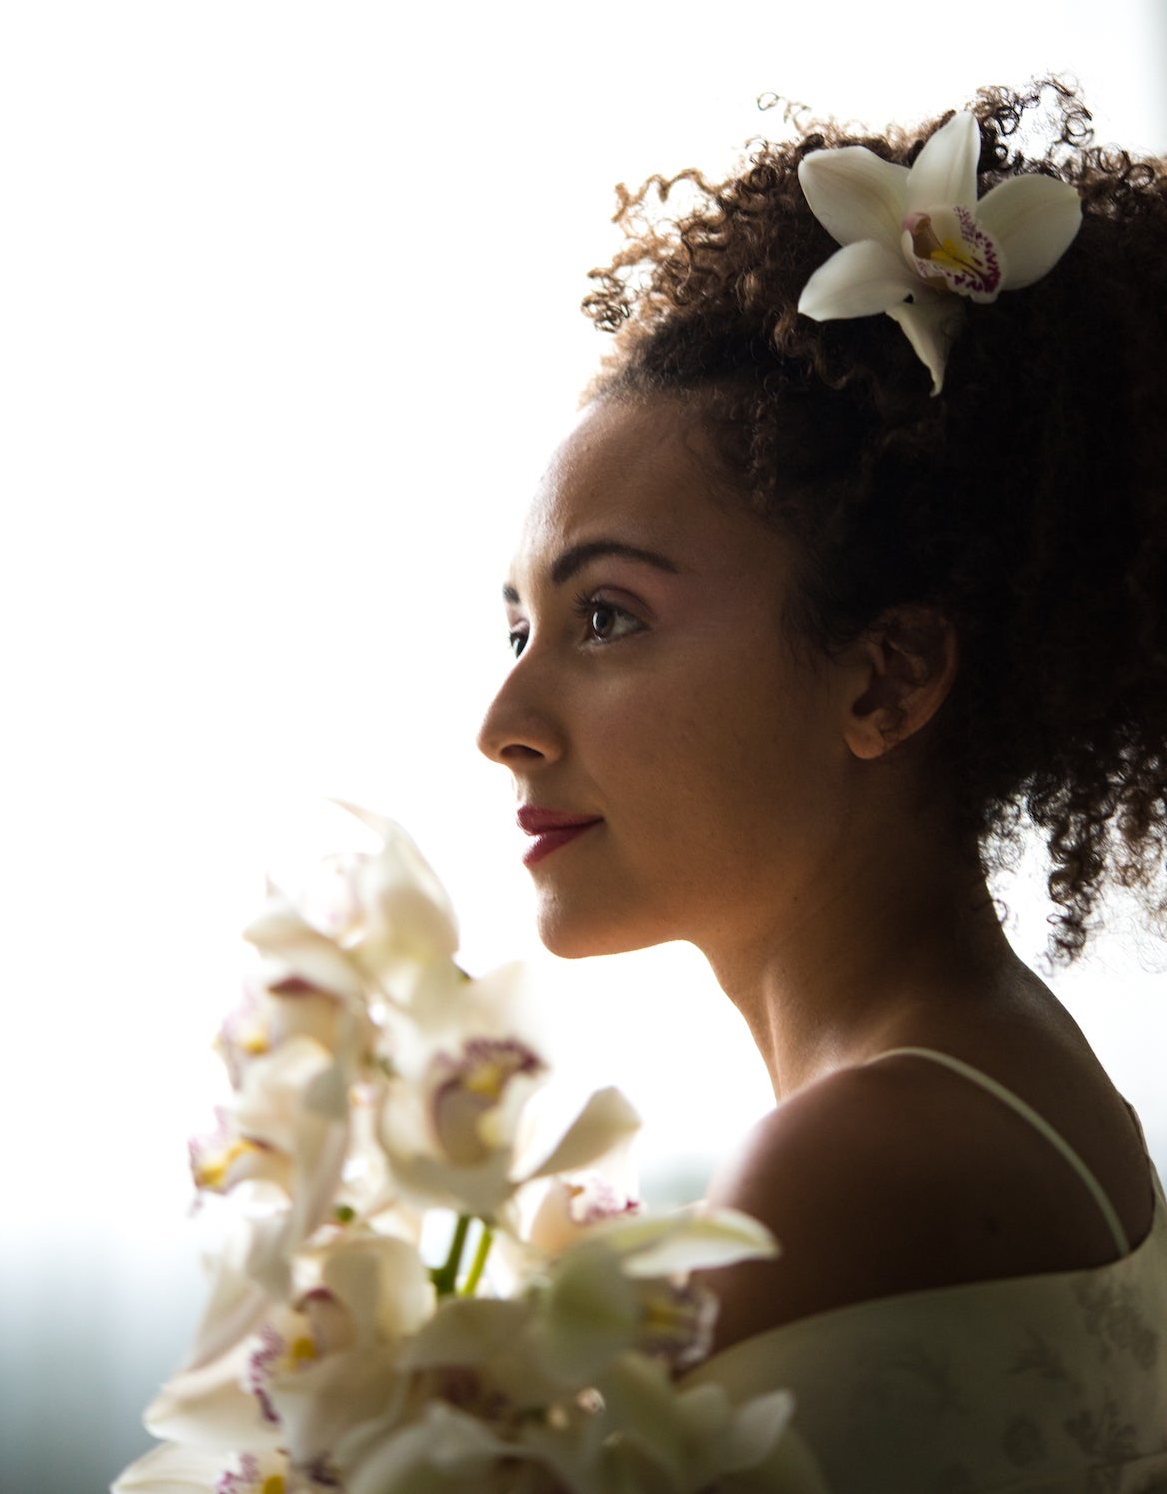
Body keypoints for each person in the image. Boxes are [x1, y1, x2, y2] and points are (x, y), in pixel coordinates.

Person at [476, 80, 1167, 1492]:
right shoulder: (1014, 1076)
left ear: (884, 681)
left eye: (606, 617)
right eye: (517, 631)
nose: (505, 722)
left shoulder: (858, 1156)